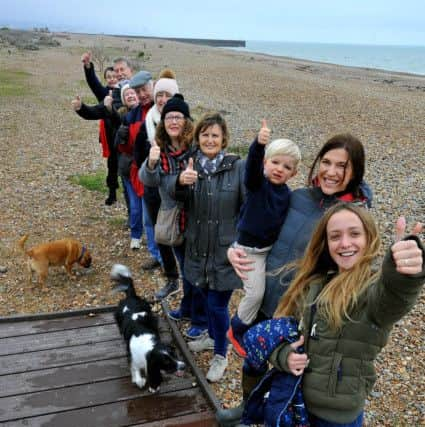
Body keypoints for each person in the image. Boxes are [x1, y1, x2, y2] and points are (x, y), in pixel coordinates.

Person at [218, 133, 373, 425]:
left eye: (342, 166)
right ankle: (248, 408)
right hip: (266, 294)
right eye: (326, 162)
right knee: (253, 357)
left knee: (284, 373)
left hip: (300, 311)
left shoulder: (351, 217)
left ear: (356, 172)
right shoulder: (297, 197)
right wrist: (234, 249)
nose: (331, 171)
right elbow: (258, 223)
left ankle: (269, 415)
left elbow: (357, 271)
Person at [244, 203, 424, 427]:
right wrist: (284, 357)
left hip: (336, 419)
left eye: (355, 234)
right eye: (335, 236)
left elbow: (394, 299)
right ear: (325, 243)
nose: (345, 243)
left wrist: (403, 276)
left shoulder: (372, 289)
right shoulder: (313, 283)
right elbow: (281, 335)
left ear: (369, 238)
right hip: (295, 401)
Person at [171, 112, 246, 382]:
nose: (210, 139)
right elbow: (172, 195)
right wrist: (180, 182)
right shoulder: (190, 165)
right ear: (198, 137)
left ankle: (221, 354)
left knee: (217, 305)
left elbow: (248, 206)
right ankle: (212, 336)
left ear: (224, 139)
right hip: (197, 249)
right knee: (202, 295)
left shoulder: (238, 167)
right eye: (205, 134)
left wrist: (241, 241)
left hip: (225, 253)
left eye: (215, 135)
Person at [227, 119, 301, 358]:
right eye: (275, 162)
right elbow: (251, 170)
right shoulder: (258, 185)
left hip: (268, 250)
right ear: (266, 163)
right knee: (255, 294)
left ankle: (255, 329)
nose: (279, 169)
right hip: (249, 251)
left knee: (269, 293)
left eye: (287, 167)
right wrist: (259, 145)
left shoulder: (288, 195)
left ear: (294, 173)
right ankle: (236, 329)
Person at [139, 94, 207, 339]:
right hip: (173, 218)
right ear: (163, 121)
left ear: (186, 120)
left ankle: (201, 320)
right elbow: (148, 180)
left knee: (195, 271)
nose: (174, 121)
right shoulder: (160, 147)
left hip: (197, 216)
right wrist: (151, 162)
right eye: (169, 117)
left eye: (178, 116)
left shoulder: (196, 147)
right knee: (186, 268)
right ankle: (188, 308)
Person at [134, 69, 181, 276]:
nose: (162, 100)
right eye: (159, 95)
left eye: (167, 95)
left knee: (180, 230)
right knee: (157, 228)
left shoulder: (183, 122)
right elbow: (138, 157)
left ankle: (180, 266)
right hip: (153, 188)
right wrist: (151, 159)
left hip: (177, 189)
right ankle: (166, 267)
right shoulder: (148, 122)